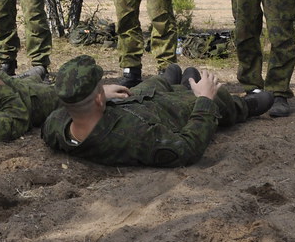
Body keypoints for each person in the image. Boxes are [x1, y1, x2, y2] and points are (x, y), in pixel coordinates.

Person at [41, 55, 274, 167]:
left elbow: (60, 112)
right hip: (162, 111)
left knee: (158, 80)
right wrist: (205, 100)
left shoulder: (56, 125)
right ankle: (242, 106)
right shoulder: (135, 137)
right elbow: (186, 150)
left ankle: (173, 82)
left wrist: (103, 92)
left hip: (127, 104)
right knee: (216, 95)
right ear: (98, 100)